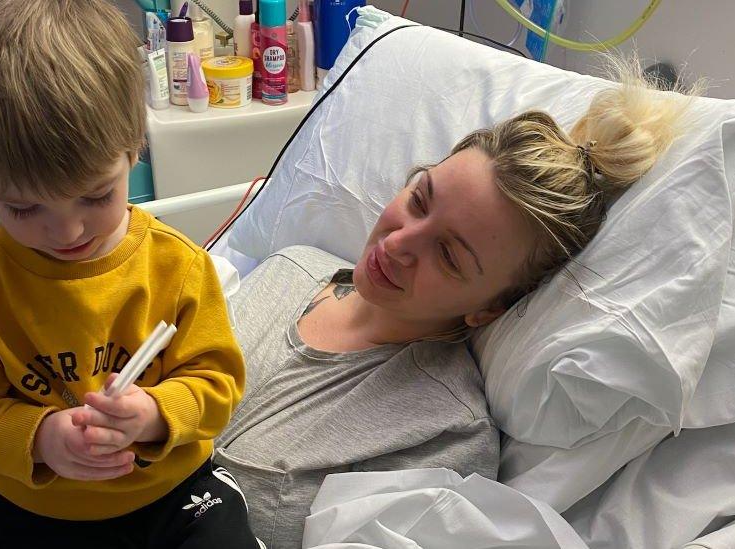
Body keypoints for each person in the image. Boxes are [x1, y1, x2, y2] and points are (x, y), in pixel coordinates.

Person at [215, 57, 695, 548]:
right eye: (419, 200)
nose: (398, 244)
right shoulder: (288, 267)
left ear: (489, 308)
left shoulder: (442, 433)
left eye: (448, 255)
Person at [0, 2, 260, 547]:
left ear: (134, 152)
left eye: (97, 195)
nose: (67, 232)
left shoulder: (176, 267)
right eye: (23, 208)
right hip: (35, 504)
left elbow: (218, 385)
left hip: (170, 492)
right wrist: (39, 437)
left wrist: (153, 413)